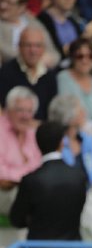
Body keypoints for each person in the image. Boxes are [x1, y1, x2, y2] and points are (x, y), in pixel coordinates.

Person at [57, 37, 92, 156]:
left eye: (90, 56)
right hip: (72, 133)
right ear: (72, 58)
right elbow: (70, 112)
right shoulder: (63, 78)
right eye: (80, 56)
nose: (85, 60)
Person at [0, 25, 57, 120]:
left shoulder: (50, 76)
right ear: (19, 47)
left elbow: (51, 112)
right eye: (28, 45)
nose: (33, 50)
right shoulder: (5, 73)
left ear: (44, 49)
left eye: (38, 46)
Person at [0, 86, 42, 215]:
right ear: (8, 110)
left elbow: (39, 165)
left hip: (28, 188)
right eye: (20, 110)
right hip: (5, 192)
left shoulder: (33, 133)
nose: (25, 116)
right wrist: (28, 178)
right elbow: (2, 177)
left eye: (29, 111)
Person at [0, 0, 59, 68]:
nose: (2, 6)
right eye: (1, 0)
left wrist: (46, 60)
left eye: (9, 3)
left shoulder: (32, 21)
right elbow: (4, 50)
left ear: (21, 7)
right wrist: (32, 59)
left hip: (40, 69)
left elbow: (54, 54)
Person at [47, 94, 92, 187]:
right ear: (69, 118)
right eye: (80, 111)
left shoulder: (87, 139)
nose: (85, 113)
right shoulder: (56, 144)